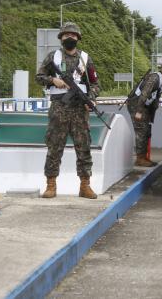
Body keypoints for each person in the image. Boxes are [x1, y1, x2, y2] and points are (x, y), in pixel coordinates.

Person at [36, 22, 100, 199]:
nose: (69, 38)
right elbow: (39, 77)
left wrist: (91, 98)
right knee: (54, 146)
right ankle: (51, 185)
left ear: (78, 38)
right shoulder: (53, 57)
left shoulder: (85, 59)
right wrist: (52, 80)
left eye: (73, 35)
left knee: (84, 147)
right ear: (61, 38)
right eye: (66, 35)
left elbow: (95, 83)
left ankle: (85, 185)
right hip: (59, 108)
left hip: (80, 109)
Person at [126, 57, 162, 167]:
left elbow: (154, 99)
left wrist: (151, 116)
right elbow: (144, 94)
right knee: (141, 131)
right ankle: (140, 159)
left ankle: (143, 157)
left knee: (146, 130)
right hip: (136, 104)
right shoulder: (155, 78)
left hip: (144, 106)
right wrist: (139, 111)